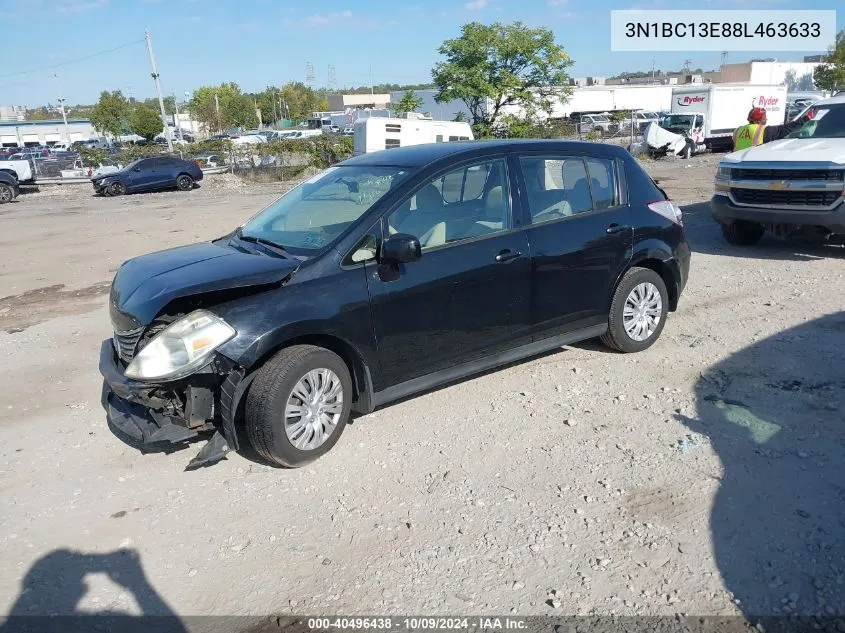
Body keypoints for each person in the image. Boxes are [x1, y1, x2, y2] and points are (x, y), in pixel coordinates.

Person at [732, 107, 803, 151]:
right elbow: (786, 129)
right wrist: (805, 119)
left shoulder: (738, 130)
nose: (766, 119)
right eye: (764, 117)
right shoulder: (763, 130)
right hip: (754, 164)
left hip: (738, 164)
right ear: (759, 120)